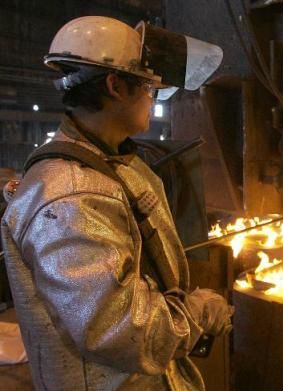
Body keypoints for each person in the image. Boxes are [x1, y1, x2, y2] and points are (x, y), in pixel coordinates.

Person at [0, 16, 230, 390]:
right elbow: (120, 331)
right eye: (149, 86)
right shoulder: (71, 199)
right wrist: (199, 312)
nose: (153, 97)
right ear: (115, 86)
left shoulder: (112, 161)